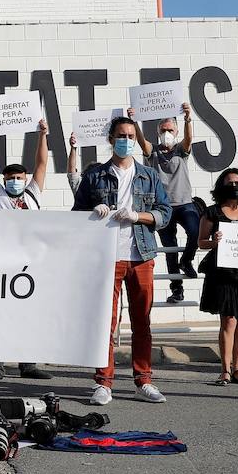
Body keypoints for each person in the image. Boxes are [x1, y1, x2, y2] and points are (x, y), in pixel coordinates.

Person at [71, 115, 173, 407]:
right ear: (110, 139)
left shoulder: (149, 174)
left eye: (130, 136)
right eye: (121, 136)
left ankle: (144, 380)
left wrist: (138, 216)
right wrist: (93, 211)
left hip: (141, 255)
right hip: (107, 257)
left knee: (142, 320)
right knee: (106, 321)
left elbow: (165, 213)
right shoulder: (95, 176)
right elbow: (76, 214)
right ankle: (103, 382)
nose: (126, 140)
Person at [0, 117, 53, 381]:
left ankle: (28, 364)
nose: (14, 181)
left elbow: (42, 164)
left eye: (18, 177)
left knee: (28, 315)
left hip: (31, 263)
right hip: (1, 262)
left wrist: (43, 135)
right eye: (10, 178)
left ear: (25, 178)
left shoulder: (33, 193)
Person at [196, 170, 238, 386]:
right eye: (229, 182)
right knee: (228, 320)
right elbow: (201, 242)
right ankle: (224, 370)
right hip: (223, 274)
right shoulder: (212, 212)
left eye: (237, 182)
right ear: (221, 186)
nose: (234, 185)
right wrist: (214, 242)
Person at [136, 104, 200, 303]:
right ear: (157, 132)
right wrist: (135, 122)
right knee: (169, 247)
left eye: (170, 130)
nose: (166, 134)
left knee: (194, 231)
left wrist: (188, 118)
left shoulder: (181, 150)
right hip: (162, 207)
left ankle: (187, 260)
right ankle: (177, 289)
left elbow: (189, 140)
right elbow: (141, 142)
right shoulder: (152, 152)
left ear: (176, 131)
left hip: (184, 203)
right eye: (163, 130)